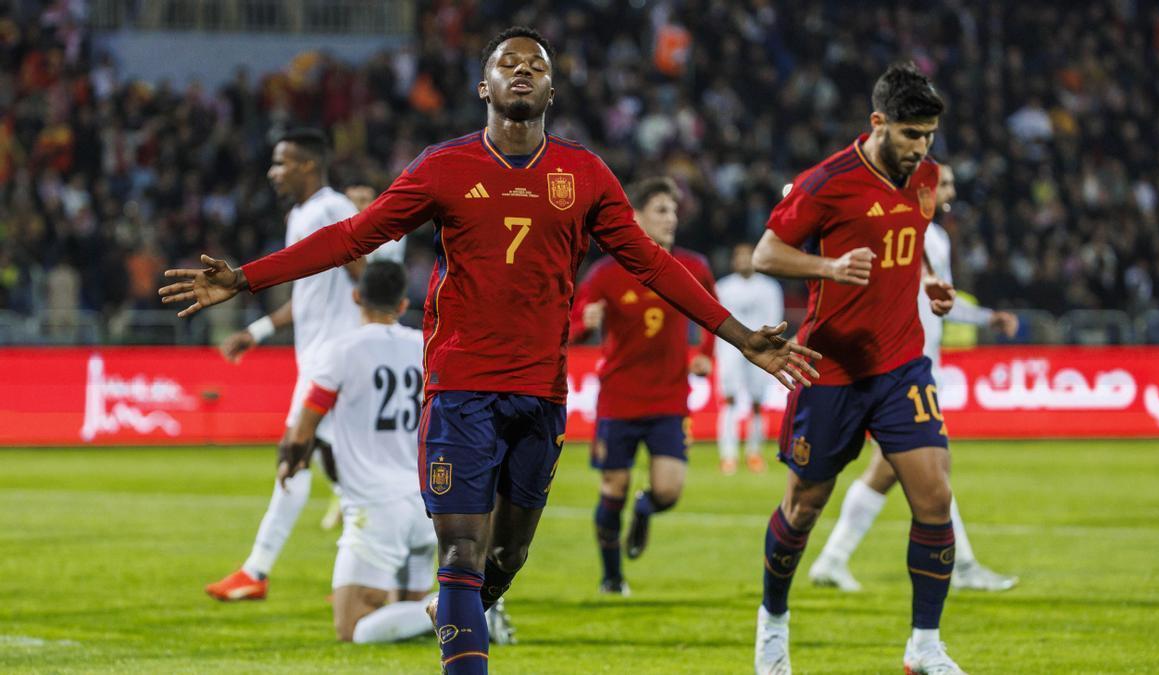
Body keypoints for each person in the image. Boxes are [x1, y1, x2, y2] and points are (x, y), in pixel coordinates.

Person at [159, 26, 819, 675]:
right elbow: (353, 236)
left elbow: (652, 263)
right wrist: (246, 277)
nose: (523, 70)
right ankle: (460, 617)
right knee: (463, 553)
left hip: (540, 394)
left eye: (537, 63)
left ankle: (460, 610)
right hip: (460, 391)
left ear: (553, 88)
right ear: (485, 85)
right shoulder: (445, 167)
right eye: (509, 62)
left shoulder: (583, 174)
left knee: (506, 558)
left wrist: (738, 335)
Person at [749, 64, 968, 674]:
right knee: (803, 509)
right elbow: (767, 252)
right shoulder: (827, 182)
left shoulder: (924, 178)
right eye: (909, 134)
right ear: (878, 124)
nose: (921, 149)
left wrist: (931, 284)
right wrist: (828, 267)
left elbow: (912, 237)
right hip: (832, 370)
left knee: (935, 496)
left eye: (927, 135)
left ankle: (924, 646)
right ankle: (773, 625)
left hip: (901, 364)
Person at [808, 164, 1020, 594]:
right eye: (944, 182)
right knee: (931, 463)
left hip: (919, 362)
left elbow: (939, 296)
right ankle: (961, 565)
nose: (951, 191)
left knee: (894, 469)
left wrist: (984, 317)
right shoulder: (907, 229)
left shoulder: (934, 236)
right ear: (922, 186)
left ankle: (831, 561)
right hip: (898, 365)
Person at [205, 129, 369, 602]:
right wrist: (255, 332)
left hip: (334, 358)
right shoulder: (301, 214)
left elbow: (364, 272)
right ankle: (387, 565)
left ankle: (256, 570)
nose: (273, 171)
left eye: (282, 163)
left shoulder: (331, 208)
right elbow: (305, 297)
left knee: (293, 457)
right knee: (346, 467)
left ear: (308, 165)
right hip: (319, 355)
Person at [569, 176, 715, 596]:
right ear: (636, 217)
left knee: (668, 490)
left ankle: (645, 509)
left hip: (670, 399)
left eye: (673, 211)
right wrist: (585, 326)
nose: (671, 219)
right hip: (619, 399)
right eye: (661, 210)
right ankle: (612, 577)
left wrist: (705, 350)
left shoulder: (695, 266)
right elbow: (574, 324)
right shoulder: (606, 274)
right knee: (612, 486)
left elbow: (714, 313)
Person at [276, 260, 435, 643]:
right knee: (406, 622)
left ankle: (469, 611)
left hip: (376, 506)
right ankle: (451, 610)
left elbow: (306, 422)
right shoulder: (424, 347)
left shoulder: (341, 350)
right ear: (402, 306)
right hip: (427, 502)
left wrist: (290, 462)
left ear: (356, 297)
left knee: (352, 630)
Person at [714, 242, 785, 475]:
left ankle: (754, 453)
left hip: (761, 350)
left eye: (748, 256)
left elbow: (775, 319)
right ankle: (728, 455)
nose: (744, 260)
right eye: (740, 256)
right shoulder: (723, 287)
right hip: (729, 349)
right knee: (730, 400)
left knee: (756, 403)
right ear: (734, 261)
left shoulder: (769, 287)